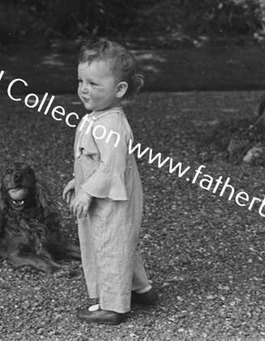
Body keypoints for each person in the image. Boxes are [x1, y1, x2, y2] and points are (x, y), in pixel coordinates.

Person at [62, 39, 158, 325]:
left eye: (93, 83)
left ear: (119, 90)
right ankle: (142, 289)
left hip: (111, 197)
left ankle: (114, 307)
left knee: (109, 245)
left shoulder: (112, 124)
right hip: (100, 192)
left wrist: (87, 192)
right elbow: (89, 158)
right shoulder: (96, 117)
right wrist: (77, 181)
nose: (83, 89)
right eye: (81, 81)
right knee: (117, 241)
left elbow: (111, 166)